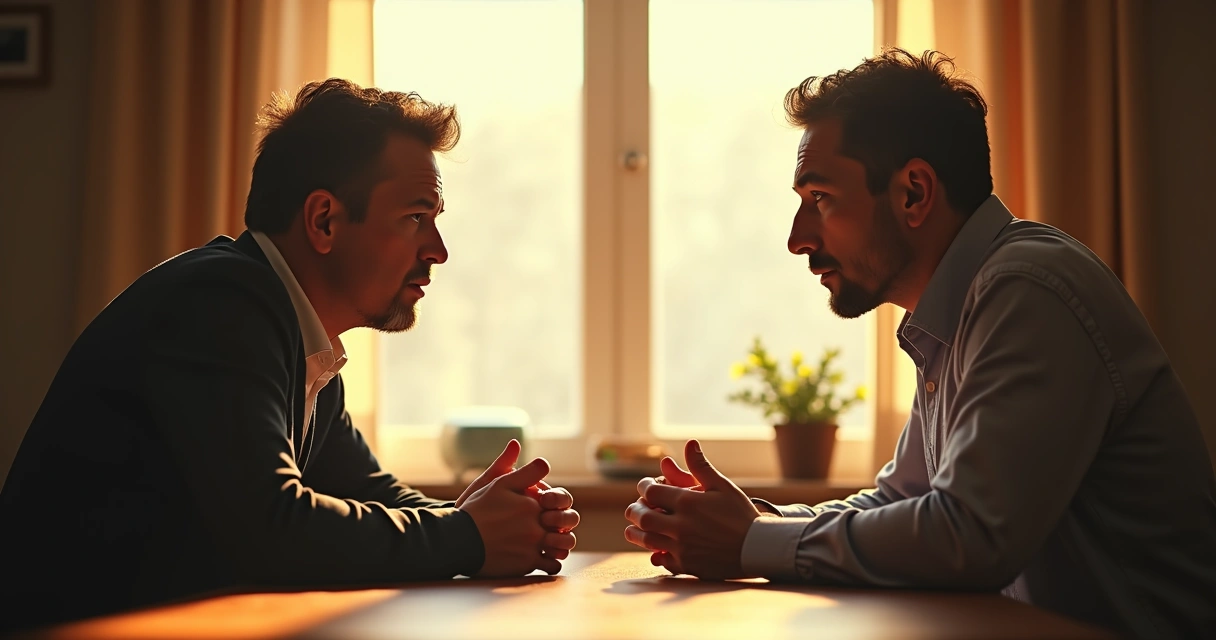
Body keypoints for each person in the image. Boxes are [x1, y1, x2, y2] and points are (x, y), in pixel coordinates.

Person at [623, 48, 1216, 638]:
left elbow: (968, 534)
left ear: (913, 192)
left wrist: (751, 541)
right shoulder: (960, 310)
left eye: (821, 199)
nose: (797, 239)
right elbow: (901, 501)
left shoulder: (1027, 291)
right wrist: (749, 521)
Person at [0, 78, 579, 631]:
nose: (439, 250)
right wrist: (466, 535)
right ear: (324, 219)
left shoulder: (303, 342)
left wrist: (483, 516)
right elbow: (272, 528)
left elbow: (369, 495)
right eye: (415, 218)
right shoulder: (220, 306)